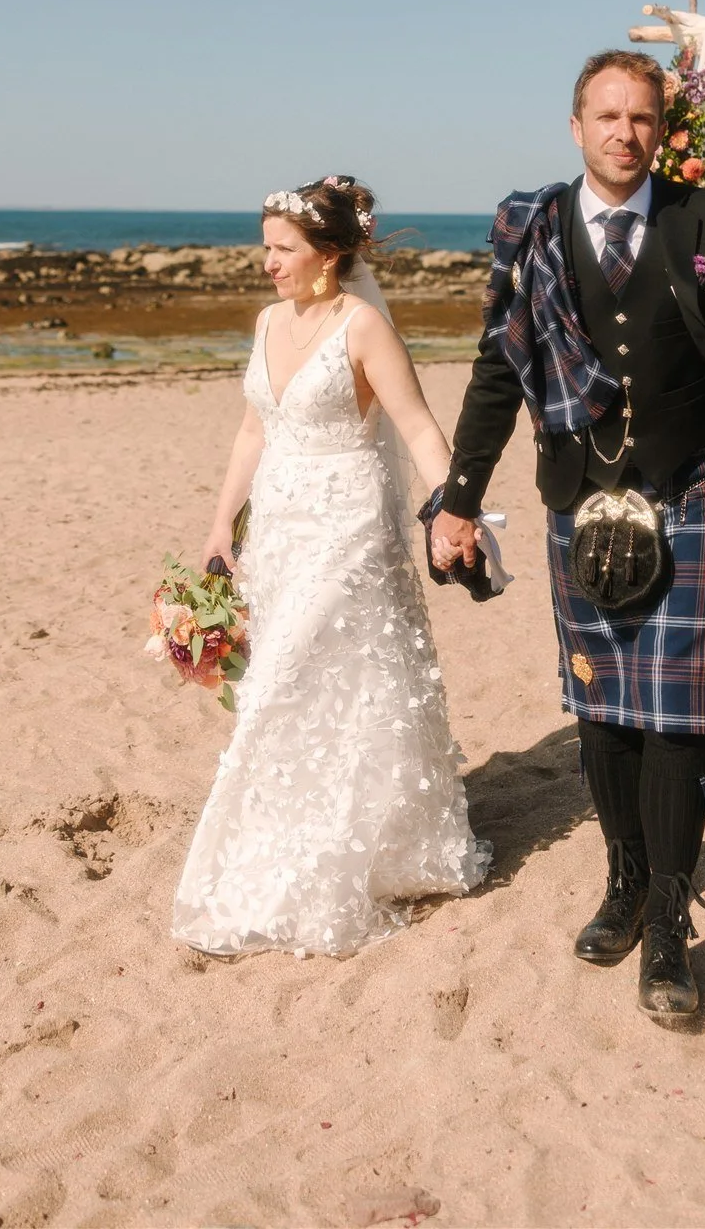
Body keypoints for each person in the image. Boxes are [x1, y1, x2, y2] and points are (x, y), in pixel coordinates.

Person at [430, 52, 705, 1025]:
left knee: (676, 721)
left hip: (689, 493)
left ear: (660, 129)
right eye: (607, 115)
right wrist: (459, 496)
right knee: (601, 710)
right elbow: (498, 371)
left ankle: (670, 920)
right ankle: (626, 879)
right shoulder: (533, 230)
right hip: (578, 502)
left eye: (640, 117)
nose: (623, 133)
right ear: (576, 125)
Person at [172, 176, 489, 957]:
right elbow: (254, 431)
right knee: (315, 687)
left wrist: (454, 509)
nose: (267, 263)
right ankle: (309, 831)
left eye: (282, 250)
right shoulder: (266, 322)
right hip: (278, 530)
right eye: (266, 248)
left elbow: (418, 428)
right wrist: (220, 526)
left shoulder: (364, 326)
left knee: (285, 680)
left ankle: (319, 865)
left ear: (329, 254)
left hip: (349, 527)